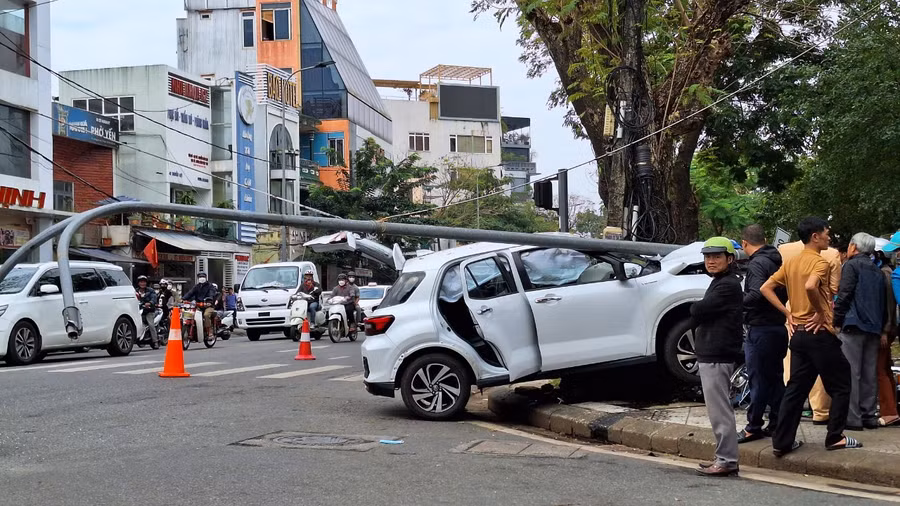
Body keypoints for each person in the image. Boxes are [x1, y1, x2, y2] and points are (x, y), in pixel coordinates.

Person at [761, 217, 861, 455]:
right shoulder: (820, 262)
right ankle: (835, 437)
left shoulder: (792, 262)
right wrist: (819, 311)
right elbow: (811, 286)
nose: (829, 237)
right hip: (820, 334)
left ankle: (782, 442)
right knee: (841, 384)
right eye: (826, 233)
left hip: (798, 335)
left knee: (795, 389)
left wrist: (788, 314)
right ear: (815, 236)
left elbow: (766, 288)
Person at [691, 237, 743, 477]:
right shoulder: (721, 282)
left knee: (719, 409)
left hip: (717, 354)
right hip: (713, 353)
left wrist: (696, 308)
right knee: (717, 409)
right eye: (707, 257)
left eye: (716, 257)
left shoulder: (728, 284)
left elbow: (699, 310)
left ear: (729, 259)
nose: (710, 261)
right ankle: (724, 458)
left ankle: (727, 459)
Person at [778, 237, 842, 425]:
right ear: (816, 235)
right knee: (826, 370)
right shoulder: (831, 254)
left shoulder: (784, 251)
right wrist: (823, 311)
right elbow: (834, 288)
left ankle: (790, 416)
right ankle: (821, 412)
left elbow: (772, 285)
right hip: (819, 318)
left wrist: (786, 312)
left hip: (794, 316)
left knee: (793, 369)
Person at [738, 225, 788, 443]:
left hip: (761, 328)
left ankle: (753, 426)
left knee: (758, 379)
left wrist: (736, 304)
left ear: (744, 244)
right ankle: (778, 423)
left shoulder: (757, 263)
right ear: (765, 239)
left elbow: (757, 293)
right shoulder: (776, 261)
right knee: (776, 379)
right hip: (777, 327)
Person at [834, 233, 886, 430]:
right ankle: (869, 415)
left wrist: (836, 320)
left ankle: (853, 419)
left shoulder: (851, 265)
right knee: (868, 373)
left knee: (851, 372)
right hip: (873, 327)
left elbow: (844, 294)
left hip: (853, 325)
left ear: (853, 247)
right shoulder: (877, 270)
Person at [877, 233, 900, 426]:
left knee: (880, 369)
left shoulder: (890, 274)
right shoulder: (891, 272)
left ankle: (890, 411)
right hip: (892, 327)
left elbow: (892, 304)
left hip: (888, 327)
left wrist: (884, 329)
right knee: (885, 367)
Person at [183, 272, 218, 340]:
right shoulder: (197, 286)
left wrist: (209, 301)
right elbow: (190, 293)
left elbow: (211, 294)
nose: (201, 278)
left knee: (206, 315)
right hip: (198, 306)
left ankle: (209, 332)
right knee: (191, 314)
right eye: (200, 277)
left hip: (208, 306)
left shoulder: (210, 286)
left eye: (203, 277)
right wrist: (183, 299)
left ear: (205, 278)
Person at [135, 275, 160, 349]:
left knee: (151, 324)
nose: (142, 283)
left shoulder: (151, 290)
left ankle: (155, 341)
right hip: (138, 311)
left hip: (149, 311)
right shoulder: (135, 291)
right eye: (141, 282)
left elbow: (154, 298)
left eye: (144, 282)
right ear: (138, 283)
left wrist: (150, 303)